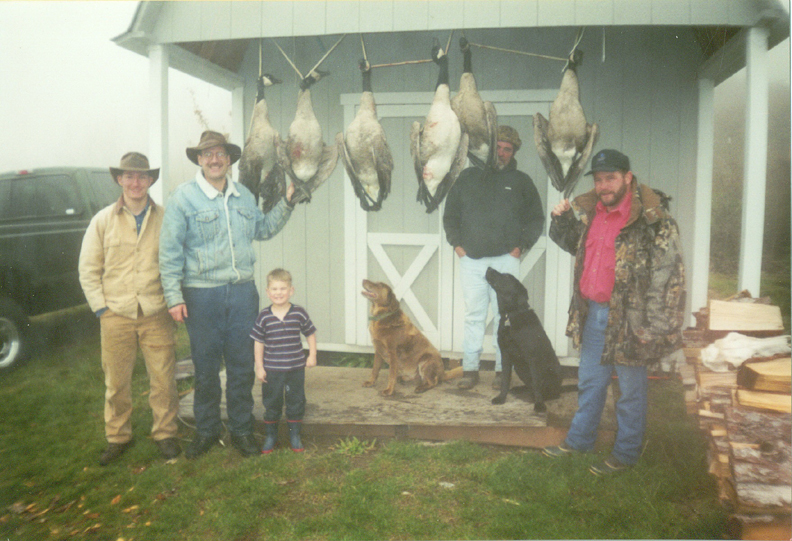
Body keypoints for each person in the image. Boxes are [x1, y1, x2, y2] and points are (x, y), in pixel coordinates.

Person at [542, 149, 685, 475]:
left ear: (627, 178)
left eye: (611, 178)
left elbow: (671, 276)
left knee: (631, 391)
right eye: (599, 179)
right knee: (590, 383)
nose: (604, 185)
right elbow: (574, 246)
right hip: (594, 314)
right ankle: (579, 442)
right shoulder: (593, 214)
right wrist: (561, 219)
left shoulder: (653, 220)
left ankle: (626, 454)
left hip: (632, 320)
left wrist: (657, 326)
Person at [159, 130, 295, 459]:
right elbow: (169, 252)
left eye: (220, 153)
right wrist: (174, 296)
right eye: (207, 154)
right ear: (199, 160)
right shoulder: (183, 198)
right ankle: (206, 431)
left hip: (242, 296)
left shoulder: (244, 196)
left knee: (242, 365)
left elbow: (262, 229)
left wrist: (288, 201)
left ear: (229, 159)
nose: (214, 159)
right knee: (205, 368)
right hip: (201, 296)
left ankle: (241, 430)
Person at [79, 152, 181, 465]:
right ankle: (118, 437)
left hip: (156, 312)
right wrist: (101, 309)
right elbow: (88, 269)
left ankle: (165, 433)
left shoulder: (166, 219)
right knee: (116, 382)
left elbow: (177, 263)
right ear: (119, 179)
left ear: (150, 180)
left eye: (142, 176)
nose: (135, 182)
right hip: (115, 315)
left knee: (163, 379)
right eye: (129, 176)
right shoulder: (102, 221)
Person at [443, 125, 545, 390]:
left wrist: (520, 248)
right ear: (488, 149)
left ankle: (503, 371)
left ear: (514, 153)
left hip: (505, 261)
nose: (501, 153)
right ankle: (470, 370)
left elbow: (535, 219)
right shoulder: (467, 177)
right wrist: (457, 245)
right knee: (474, 315)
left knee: (504, 317)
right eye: (497, 147)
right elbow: (450, 215)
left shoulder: (521, 181)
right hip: (472, 260)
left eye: (507, 149)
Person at [251, 268, 317, 454]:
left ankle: (294, 435)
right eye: (274, 289)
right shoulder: (264, 316)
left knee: (296, 401)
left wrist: (312, 355)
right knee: (272, 402)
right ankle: (271, 436)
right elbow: (258, 342)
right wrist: (259, 366)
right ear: (267, 292)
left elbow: (310, 333)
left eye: (283, 288)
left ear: (291, 290)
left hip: (295, 368)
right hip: (272, 370)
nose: (278, 293)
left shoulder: (299, 313)